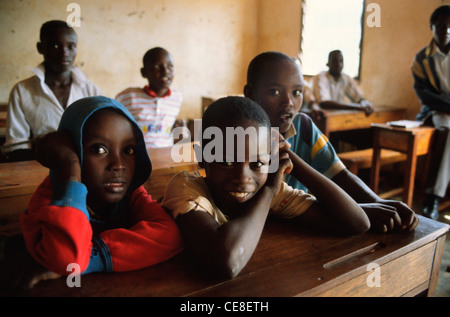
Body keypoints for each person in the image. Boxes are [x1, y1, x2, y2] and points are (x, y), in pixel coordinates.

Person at [162, 96, 370, 279]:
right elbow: (226, 263)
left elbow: (357, 223)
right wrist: (269, 190)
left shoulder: (268, 190)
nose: (243, 178)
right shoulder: (185, 188)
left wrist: (293, 162)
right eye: (226, 162)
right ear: (201, 156)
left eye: (257, 164)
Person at [0, 96, 183, 289]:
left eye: (129, 151)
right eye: (99, 149)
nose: (118, 165)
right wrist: (69, 169)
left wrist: (91, 257)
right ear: (71, 149)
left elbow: (171, 237)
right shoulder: (51, 197)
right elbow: (68, 258)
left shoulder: (131, 192)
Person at [244, 51, 419, 233]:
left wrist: (377, 202)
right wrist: (360, 211)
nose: (289, 102)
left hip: (297, 228)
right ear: (250, 94)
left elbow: (340, 175)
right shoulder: (239, 136)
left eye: (297, 92)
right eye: (275, 91)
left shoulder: (303, 127)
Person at [3, 20, 101, 162]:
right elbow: (17, 144)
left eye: (71, 46)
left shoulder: (90, 90)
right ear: (40, 48)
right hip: (39, 164)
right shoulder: (22, 91)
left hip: (86, 164)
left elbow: (102, 135)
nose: (64, 52)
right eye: (55, 45)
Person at [411, 5, 450, 220]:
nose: (447, 30)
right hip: (437, 110)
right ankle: (432, 198)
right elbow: (424, 94)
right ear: (432, 27)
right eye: (442, 26)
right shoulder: (422, 59)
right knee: (447, 131)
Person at [115, 47, 183, 148]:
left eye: (170, 66)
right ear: (144, 72)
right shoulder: (128, 97)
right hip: (138, 157)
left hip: (166, 156)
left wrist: (177, 129)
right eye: (157, 66)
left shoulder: (177, 98)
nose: (165, 71)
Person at [312, 50, 373, 116]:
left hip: (335, 117)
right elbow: (324, 103)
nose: (338, 64)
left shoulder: (345, 78)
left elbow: (359, 98)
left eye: (341, 61)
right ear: (328, 63)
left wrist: (365, 103)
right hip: (320, 117)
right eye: (335, 61)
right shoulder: (320, 77)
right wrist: (358, 107)